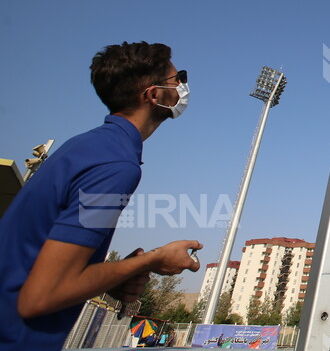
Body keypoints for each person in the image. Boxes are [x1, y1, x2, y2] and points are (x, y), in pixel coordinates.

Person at [0, 42, 203, 351]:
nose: (183, 86)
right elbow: (40, 297)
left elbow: (44, 266)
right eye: (179, 78)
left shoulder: (89, 147)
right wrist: (153, 259)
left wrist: (114, 277)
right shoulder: (116, 167)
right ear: (153, 94)